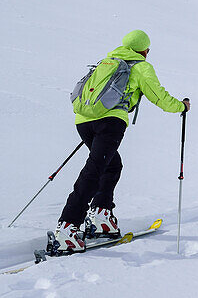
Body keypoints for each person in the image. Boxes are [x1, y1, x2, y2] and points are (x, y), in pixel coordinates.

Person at [53, 29, 188, 253]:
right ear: (145, 49)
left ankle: (101, 216)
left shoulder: (107, 61)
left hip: (83, 121)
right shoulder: (140, 66)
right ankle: (67, 227)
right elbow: (159, 97)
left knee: (112, 165)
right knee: (94, 171)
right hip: (110, 122)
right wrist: (181, 106)